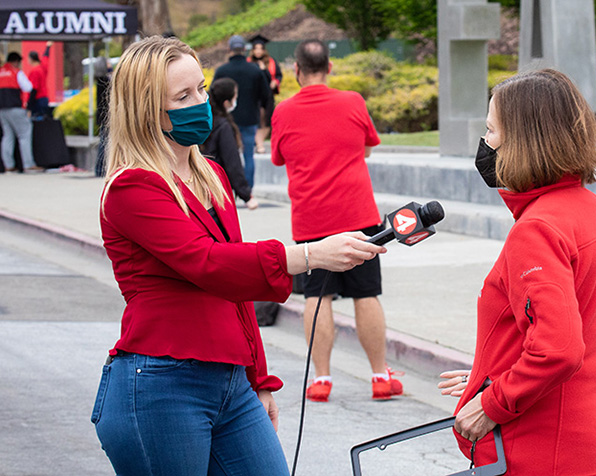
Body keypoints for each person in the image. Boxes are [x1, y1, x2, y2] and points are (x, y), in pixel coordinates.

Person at [91, 36, 386, 475]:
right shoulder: (132, 186)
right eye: (183, 96)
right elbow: (206, 262)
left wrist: (258, 379)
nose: (201, 102)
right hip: (159, 384)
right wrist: (307, 255)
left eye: (202, 89)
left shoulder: (209, 173)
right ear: (147, 110)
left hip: (230, 381)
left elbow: (237, 287)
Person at [439, 69, 596, 475]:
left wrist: (494, 401)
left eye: (491, 130)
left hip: (546, 447)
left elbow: (558, 347)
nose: (486, 143)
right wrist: (491, 370)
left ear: (522, 141)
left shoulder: (537, 228)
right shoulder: (592, 213)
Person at [271, 39, 402, 402]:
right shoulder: (353, 101)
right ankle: (379, 375)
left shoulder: (283, 111)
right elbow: (369, 146)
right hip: (358, 213)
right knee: (367, 293)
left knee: (318, 295)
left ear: (295, 70)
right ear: (330, 67)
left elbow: (279, 158)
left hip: (312, 219)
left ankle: (322, 380)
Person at [213, 35, 272, 189]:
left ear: (229, 49)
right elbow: (266, 96)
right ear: (245, 50)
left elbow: (212, 95)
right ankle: (248, 190)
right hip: (249, 119)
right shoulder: (254, 70)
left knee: (227, 155)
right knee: (248, 156)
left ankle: (227, 190)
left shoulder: (222, 71)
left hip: (226, 120)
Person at [201, 77, 259, 210]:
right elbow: (232, 161)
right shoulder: (224, 126)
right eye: (235, 96)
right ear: (227, 102)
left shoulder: (205, 122)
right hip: (217, 189)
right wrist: (246, 195)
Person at [0, 51, 37, 173]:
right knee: (24, 134)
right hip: (15, 107)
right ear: (16, 62)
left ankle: (9, 166)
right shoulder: (16, 72)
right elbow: (28, 87)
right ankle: (28, 164)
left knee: (7, 136)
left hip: (2, 110)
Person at [249, 34, 282, 154]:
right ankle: (259, 144)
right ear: (252, 50)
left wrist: (276, 81)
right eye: (256, 48)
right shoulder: (249, 62)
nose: (258, 51)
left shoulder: (271, 62)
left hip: (268, 95)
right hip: (254, 95)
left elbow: (278, 75)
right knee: (258, 118)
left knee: (267, 119)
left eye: (260, 48)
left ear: (264, 50)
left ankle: (260, 141)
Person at [27, 42, 53, 119]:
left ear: (31, 59)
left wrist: (29, 106)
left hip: (38, 99)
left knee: (37, 121)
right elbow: (46, 56)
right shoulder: (43, 67)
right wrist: (48, 47)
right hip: (45, 98)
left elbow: (34, 88)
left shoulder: (35, 71)